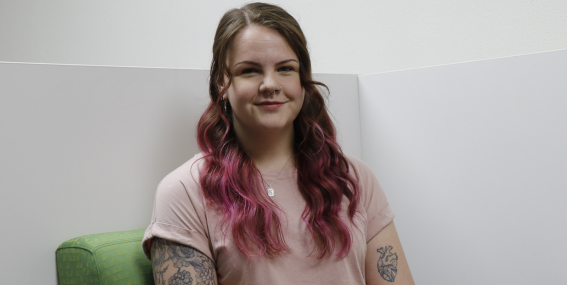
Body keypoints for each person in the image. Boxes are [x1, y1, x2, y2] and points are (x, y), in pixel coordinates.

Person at [142, 2, 414, 284]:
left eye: (285, 68)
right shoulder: (184, 193)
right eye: (250, 70)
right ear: (223, 82)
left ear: (302, 81)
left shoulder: (355, 178)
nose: (270, 84)